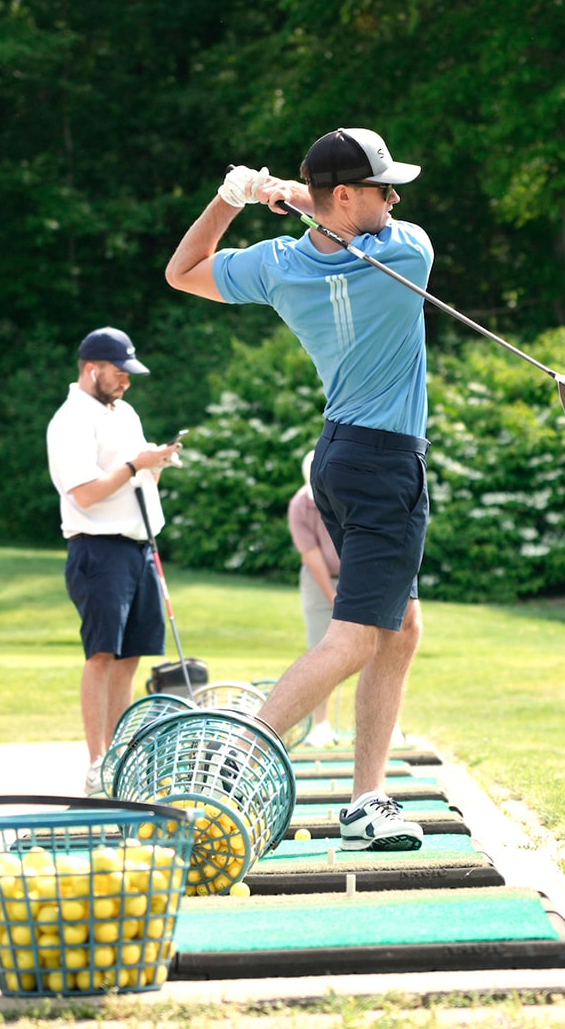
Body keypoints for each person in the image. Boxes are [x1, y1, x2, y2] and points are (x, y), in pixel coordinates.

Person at [166, 126, 431, 851]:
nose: (395, 200)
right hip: (386, 465)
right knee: (355, 639)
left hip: (337, 459)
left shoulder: (277, 265)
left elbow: (183, 272)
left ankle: (367, 799)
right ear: (343, 195)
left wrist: (233, 197)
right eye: (382, 189)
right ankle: (232, 755)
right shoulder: (407, 255)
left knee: (401, 628)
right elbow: (355, 228)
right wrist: (287, 193)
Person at [46, 326, 183, 795]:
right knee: (102, 654)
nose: (126, 381)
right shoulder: (70, 421)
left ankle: (120, 758)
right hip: (98, 548)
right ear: (92, 369)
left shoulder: (124, 412)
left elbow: (138, 480)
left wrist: (155, 464)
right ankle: (97, 763)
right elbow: (85, 493)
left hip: (139, 546)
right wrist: (135, 465)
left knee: (130, 656)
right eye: (119, 373)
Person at [287, 450, 344, 748]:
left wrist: (351, 589)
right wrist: (333, 595)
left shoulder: (349, 497)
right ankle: (320, 725)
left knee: (374, 646)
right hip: (317, 578)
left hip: (356, 574)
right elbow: (312, 555)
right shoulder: (300, 505)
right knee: (321, 648)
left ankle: (386, 725)